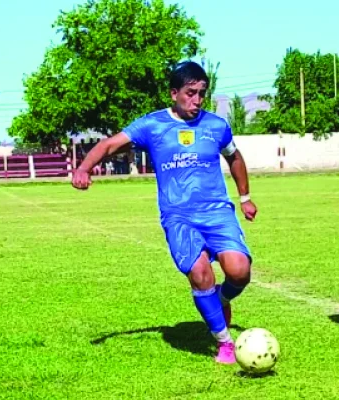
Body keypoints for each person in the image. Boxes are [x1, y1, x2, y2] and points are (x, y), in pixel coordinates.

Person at [72, 61, 257, 364]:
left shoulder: (216, 126)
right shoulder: (152, 125)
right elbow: (109, 144)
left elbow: (234, 158)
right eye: (190, 93)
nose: (196, 100)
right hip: (178, 216)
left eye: (201, 93)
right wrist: (83, 167)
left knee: (239, 271)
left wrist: (246, 197)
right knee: (199, 274)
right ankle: (224, 342)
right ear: (174, 93)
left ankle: (220, 298)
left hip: (217, 212)